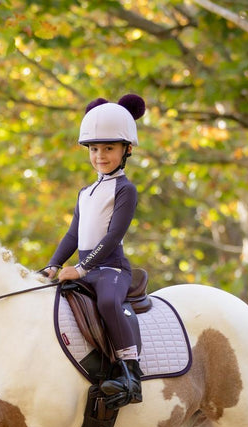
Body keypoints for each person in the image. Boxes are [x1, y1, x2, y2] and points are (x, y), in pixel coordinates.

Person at [43, 94, 146, 406]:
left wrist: (82, 268)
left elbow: (113, 236)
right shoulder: (85, 193)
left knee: (107, 303)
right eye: (94, 149)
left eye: (109, 149)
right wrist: (53, 264)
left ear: (127, 149)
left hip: (111, 269)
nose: (100, 155)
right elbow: (73, 234)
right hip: (87, 266)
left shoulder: (125, 189)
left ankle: (130, 374)